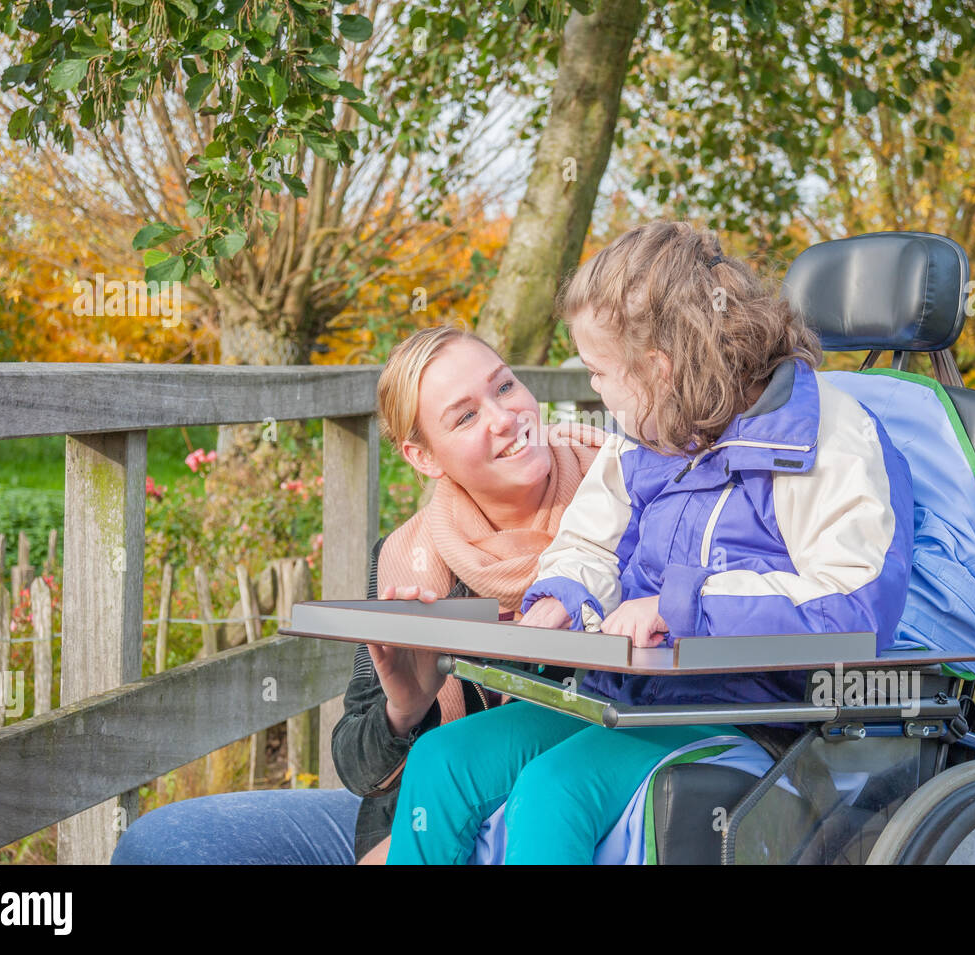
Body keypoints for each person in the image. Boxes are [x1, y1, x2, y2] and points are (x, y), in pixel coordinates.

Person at [385, 221, 916, 865]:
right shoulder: (645, 436)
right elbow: (590, 544)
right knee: (447, 759)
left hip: (764, 718)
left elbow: (854, 607)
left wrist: (679, 607)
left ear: (657, 370)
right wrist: (562, 597)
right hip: (635, 700)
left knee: (554, 792)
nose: (595, 392)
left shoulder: (828, 437)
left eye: (599, 372)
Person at [110, 325, 604, 864]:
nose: (506, 417)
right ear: (424, 458)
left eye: (505, 387)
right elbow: (358, 765)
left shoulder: (624, 507)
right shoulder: (406, 557)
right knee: (161, 844)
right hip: (416, 817)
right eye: (465, 416)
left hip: (562, 814)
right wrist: (405, 709)